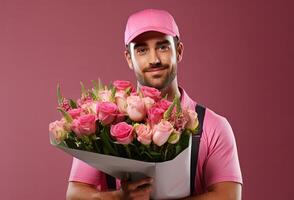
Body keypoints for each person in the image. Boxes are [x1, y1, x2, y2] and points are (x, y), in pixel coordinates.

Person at [66, 8, 243, 200]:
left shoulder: (213, 125)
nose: (154, 59)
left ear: (179, 51)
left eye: (163, 47)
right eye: (142, 50)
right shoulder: (102, 122)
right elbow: (75, 195)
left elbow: (229, 196)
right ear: (129, 59)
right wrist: (119, 197)